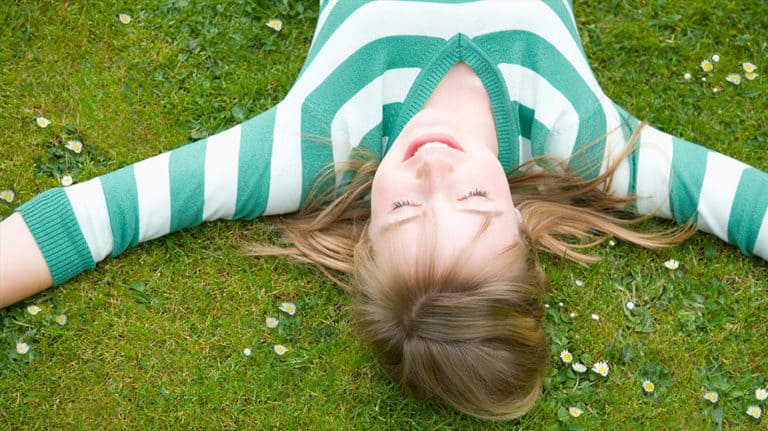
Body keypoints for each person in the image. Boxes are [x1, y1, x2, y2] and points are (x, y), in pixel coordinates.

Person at [1, 0, 766, 421]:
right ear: (521, 226)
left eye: (402, 210)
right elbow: (747, 205)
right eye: (472, 201)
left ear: (365, 232)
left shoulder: (310, 147)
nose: (432, 167)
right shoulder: (582, 140)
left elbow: (102, 215)